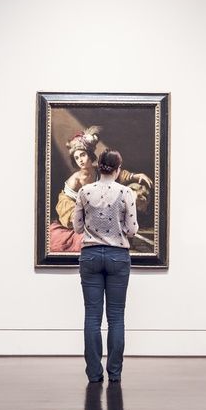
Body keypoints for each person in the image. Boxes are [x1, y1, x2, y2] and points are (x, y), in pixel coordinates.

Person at [72, 149, 139, 383]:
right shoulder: (125, 192)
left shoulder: (84, 191)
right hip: (118, 256)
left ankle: (93, 374)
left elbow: (78, 228)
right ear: (118, 169)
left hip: (90, 256)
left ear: (99, 167)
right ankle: (115, 373)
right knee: (116, 317)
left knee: (92, 317)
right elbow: (131, 230)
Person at [49, 126, 152, 252]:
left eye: (83, 155)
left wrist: (136, 176)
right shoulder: (74, 180)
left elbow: (117, 175)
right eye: (77, 158)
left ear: (90, 155)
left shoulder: (99, 170)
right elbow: (66, 205)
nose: (80, 160)